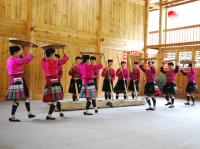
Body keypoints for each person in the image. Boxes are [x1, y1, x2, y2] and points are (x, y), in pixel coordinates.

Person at [6, 45, 35, 122]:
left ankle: (28, 113)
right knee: (23, 98)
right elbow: (26, 59)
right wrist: (31, 49)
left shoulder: (9, 59)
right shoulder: (16, 60)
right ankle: (15, 116)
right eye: (19, 52)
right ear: (15, 52)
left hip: (13, 80)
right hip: (18, 80)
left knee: (20, 98)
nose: (20, 53)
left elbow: (21, 58)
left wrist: (22, 49)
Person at [41, 47, 68, 120]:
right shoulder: (56, 62)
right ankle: (49, 115)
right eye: (54, 54)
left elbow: (43, 58)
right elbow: (66, 59)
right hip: (55, 83)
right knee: (55, 100)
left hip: (48, 83)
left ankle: (50, 115)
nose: (54, 56)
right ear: (52, 54)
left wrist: (43, 51)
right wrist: (64, 50)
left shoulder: (44, 62)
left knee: (54, 100)